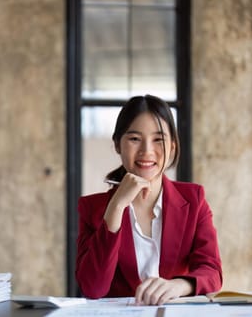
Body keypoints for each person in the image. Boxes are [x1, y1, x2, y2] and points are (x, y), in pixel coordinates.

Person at [75, 95, 222, 305]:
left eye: (158, 140)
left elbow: (212, 272)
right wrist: (116, 206)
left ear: (172, 146)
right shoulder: (92, 208)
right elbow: (93, 287)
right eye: (134, 139)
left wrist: (178, 285)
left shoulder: (194, 199)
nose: (146, 151)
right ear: (117, 145)